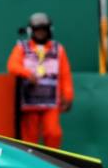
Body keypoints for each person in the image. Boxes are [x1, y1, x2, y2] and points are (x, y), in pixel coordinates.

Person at [7, 12, 73, 148]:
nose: (40, 33)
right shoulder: (22, 48)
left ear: (49, 30)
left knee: (53, 133)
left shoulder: (58, 49)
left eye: (43, 30)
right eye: (37, 30)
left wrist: (68, 95)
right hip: (30, 102)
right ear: (31, 31)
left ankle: (53, 162)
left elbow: (65, 74)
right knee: (29, 138)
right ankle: (31, 165)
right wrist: (26, 73)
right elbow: (12, 66)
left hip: (50, 102)